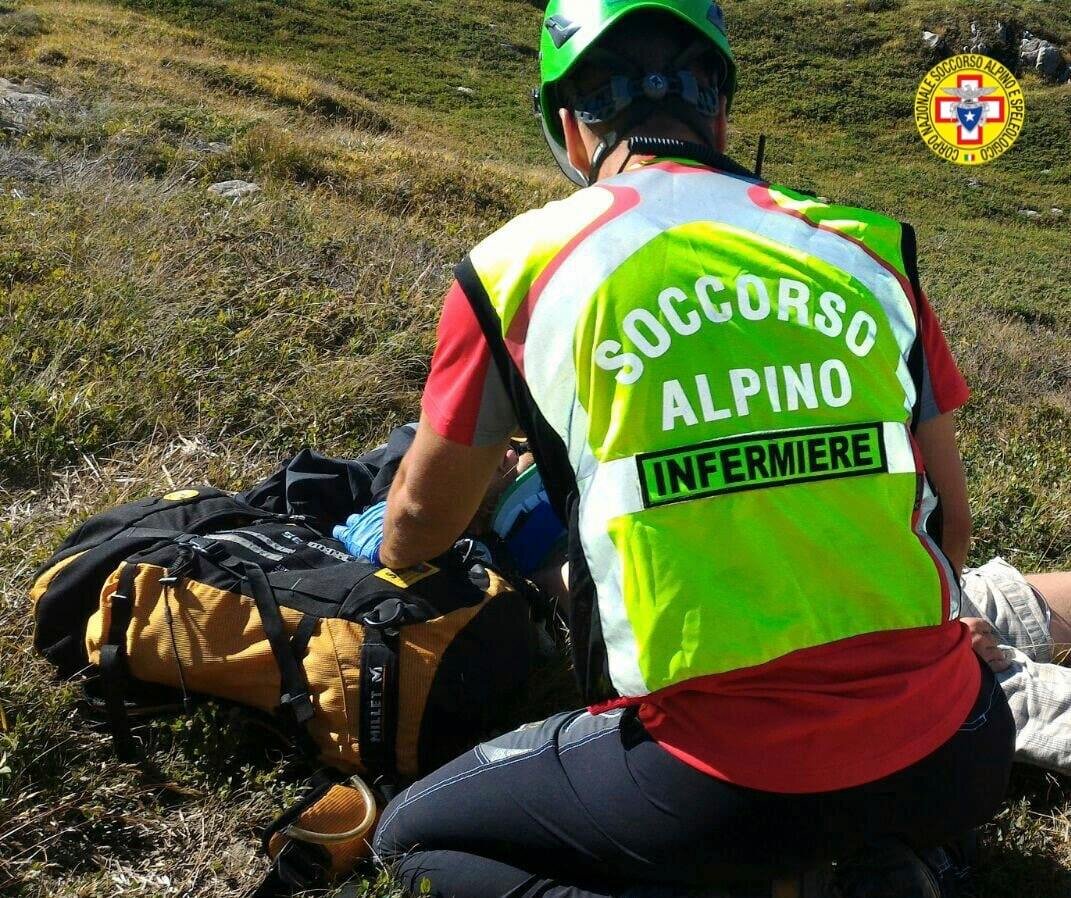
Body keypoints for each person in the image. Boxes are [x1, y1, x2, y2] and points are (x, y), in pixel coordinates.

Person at [338, 2, 1019, 895]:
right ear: (721, 115)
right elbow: (952, 526)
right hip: (957, 746)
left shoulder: (514, 267)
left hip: (709, 778)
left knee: (408, 842)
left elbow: (419, 523)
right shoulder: (872, 249)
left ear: (569, 127)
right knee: (853, 805)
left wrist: (400, 551)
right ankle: (880, 855)